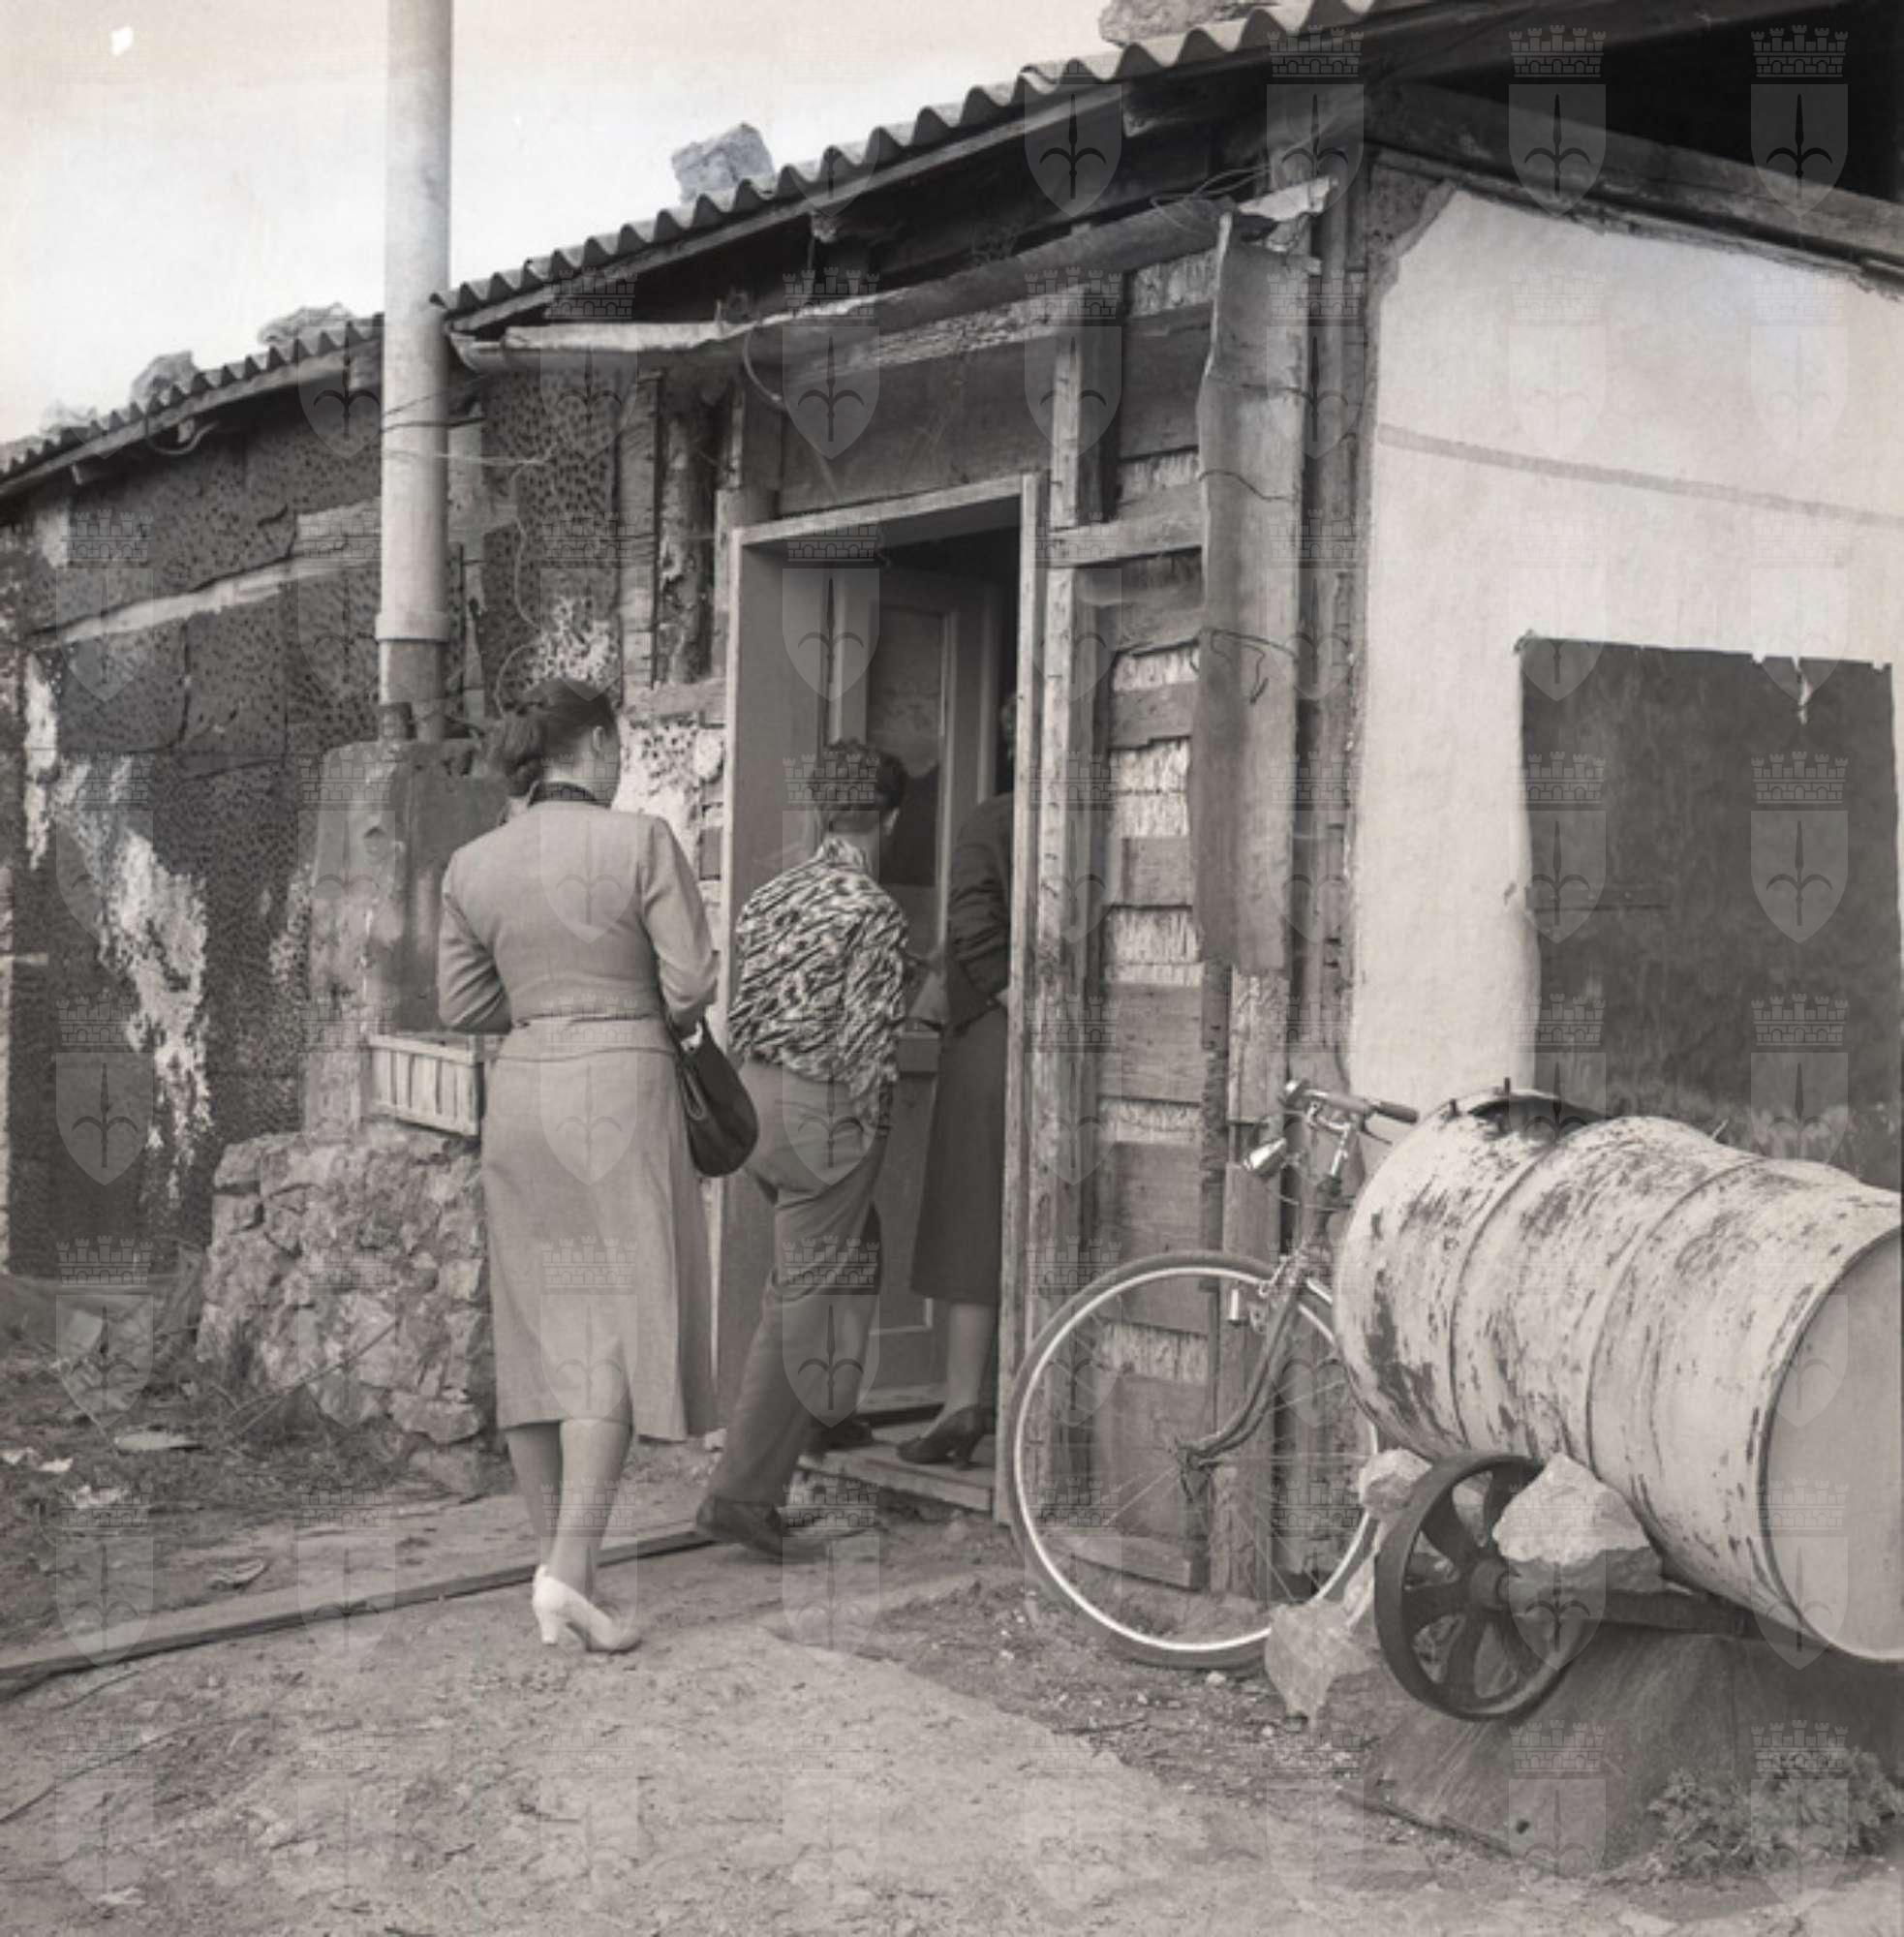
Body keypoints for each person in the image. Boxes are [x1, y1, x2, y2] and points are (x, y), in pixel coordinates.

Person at [437, 674, 719, 1651]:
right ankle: (572, 1572)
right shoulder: (641, 842)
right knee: (610, 1328)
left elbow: (462, 1003)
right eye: (619, 746)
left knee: (534, 1328)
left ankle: (554, 1567)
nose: (621, 762)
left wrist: (540, 1001)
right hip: (622, 1085)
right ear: (596, 745)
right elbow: (690, 986)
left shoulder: (472, 863)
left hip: (522, 1090)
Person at [695, 739, 913, 1563]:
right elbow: (864, 1043)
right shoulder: (873, 911)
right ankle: (741, 1495)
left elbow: (741, 1013)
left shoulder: (769, 896)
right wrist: (873, 1123)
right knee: (804, 1296)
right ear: (890, 819)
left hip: (753, 1102)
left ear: (824, 810)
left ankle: (827, 1407)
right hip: (824, 1109)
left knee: (857, 1248)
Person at [902, 695, 1017, 1466]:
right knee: (993, 1219)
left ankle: (965, 1403)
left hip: (996, 1038)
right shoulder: (1027, 818)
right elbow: (977, 927)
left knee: (975, 1217)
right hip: (1021, 1034)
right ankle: (979, 1403)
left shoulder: (992, 818)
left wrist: (1015, 998)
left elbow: (972, 928)